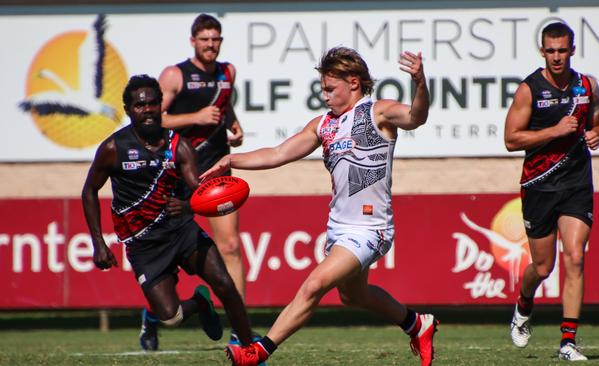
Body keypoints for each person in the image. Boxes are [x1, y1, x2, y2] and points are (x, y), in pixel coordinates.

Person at [200, 46, 438, 366]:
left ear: (354, 83)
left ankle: (257, 352)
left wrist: (420, 82)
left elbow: (415, 117)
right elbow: (278, 153)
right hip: (339, 228)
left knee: (315, 284)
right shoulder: (323, 125)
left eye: (330, 89)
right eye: (322, 89)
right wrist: (231, 159)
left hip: (371, 229)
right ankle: (416, 324)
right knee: (354, 296)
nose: (325, 96)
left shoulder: (378, 112)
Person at [81, 74, 253, 352]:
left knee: (225, 284)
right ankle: (199, 303)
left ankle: (250, 350)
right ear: (128, 110)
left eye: (152, 104)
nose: (147, 110)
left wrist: (188, 206)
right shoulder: (114, 149)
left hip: (181, 230)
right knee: (170, 317)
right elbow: (88, 192)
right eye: (139, 105)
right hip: (143, 243)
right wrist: (99, 244)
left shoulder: (179, 145)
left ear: (161, 105)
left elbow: (196, 191)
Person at [504, 22, 599, 361]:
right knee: (543, 267)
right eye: (551, 50)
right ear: (542, 51)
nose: (557, 56)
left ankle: (568, 342)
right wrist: (554, 130)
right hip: (539, 184)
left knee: (575, 257)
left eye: (563, 50)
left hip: (576, 182)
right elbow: (511, 140)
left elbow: (597, 122)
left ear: (572, 50)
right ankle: (523, 304)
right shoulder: (529, 89)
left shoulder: (587, 85)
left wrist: (596, 134)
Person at [152, 13, 248, 347]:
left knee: (232, 246)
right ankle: (153, 315)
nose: (211, 44)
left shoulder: (228, 72)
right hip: (177, 172)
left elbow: (224, 105)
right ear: (193, 41)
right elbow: (152, 120)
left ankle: (239, 329)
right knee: (165, 256)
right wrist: (195, 117)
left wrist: (233, 126)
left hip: (216, 171)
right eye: (205, 39)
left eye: (216, 39)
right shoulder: (175, 74)